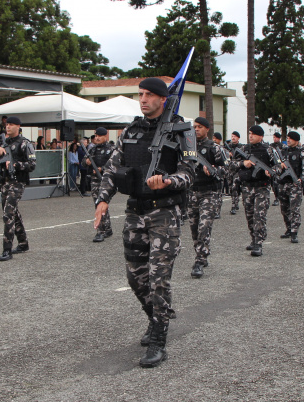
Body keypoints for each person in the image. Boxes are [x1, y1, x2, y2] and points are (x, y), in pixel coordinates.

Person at [93, 77, 194, 368]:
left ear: (164, 99)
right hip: (135, 211)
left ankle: (159, 340)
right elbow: (113, 169)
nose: (143, 99)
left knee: (158, 279)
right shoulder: (130, 131)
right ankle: (155, 317)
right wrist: (103, 199)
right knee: (135, 278)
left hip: (165, 213)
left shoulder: (183, 132)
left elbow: (189, 173)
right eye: (140, 94)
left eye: (150, 95)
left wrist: (168, 181)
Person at [0, 115, 36, 261]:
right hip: (4, 182)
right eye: (6, 125)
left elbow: (32, 165)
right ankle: (23, 243)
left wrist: (16, 165)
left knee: (8, 214)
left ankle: (7, 249)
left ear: (18, 127)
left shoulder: (24, 143)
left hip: (17, 182)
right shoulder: (3, 144)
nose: (7, 127)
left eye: (11, 125)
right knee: (13, 213)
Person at [188, 117, 224, 276]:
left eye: (200, 127)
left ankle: (199, 260)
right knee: (194, 228)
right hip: (192, 192)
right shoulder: (188, 147)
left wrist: (214, 170)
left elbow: (226, 169)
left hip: (209, 193)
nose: (196, 129)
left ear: (207, 129)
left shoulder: (214, 148)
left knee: (204, 227)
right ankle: (202, 252)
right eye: (195, 126)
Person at [235, 125, 275, 256]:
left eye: (253, 134)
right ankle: (253, 239)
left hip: (262, 187)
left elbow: (278, 166)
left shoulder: (268, 150)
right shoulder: (243, 149)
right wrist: (243, 164)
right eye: (249, 133)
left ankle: (258, 242)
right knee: (250, 215)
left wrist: (272, 172)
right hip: (247, 187)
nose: (250, 136)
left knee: (260, 216)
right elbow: (231, 164)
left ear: (261, 136)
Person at [276, 131, 304, 242]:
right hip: (283, 183)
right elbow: (275, 165)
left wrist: (301, 179)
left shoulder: (303, 153)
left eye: (291, 138)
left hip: (295, 184)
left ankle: (294, 232)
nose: (288, 140)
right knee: (284, 208)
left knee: (294, 209)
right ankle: (289, 228)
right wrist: (279, 166)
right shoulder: (282, 151)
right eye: (287, 138)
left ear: (296, 140)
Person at [86, 127, 115, 242]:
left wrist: (101, 169)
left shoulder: (111, 149)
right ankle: (106, 228)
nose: (96, 138)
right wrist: (87, 162)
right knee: (99, 204)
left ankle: (101, 231)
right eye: (96, 136)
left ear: (105, 136)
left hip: (106, 180)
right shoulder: (92, 149)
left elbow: (114, 164)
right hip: (95, 181)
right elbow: (84, 162)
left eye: (99, 136)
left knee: (101, 204)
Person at [224, 131, 242, 215]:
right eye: (232, 136)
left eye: (235, 136)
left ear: (238, 138)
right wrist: (228, 154)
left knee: (235, 187)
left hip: (237, 170)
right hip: (229, 170)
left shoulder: (241, 147)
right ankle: (236, 200)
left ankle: (233, 206)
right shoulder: (228, 147)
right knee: (231, 187)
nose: (233, 138)